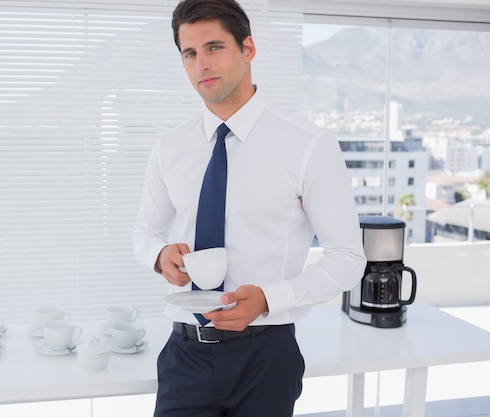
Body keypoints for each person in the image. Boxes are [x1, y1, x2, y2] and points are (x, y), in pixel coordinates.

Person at [133, 0, 367, 416]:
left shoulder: (308, 145)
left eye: (214, 47)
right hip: (184, 353)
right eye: (190, 53)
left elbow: (348, 258)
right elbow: (144, 233)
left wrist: (268, 298)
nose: (201, 63)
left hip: (266, 357)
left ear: (248, 49)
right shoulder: (169, 147)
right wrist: (159, 255)